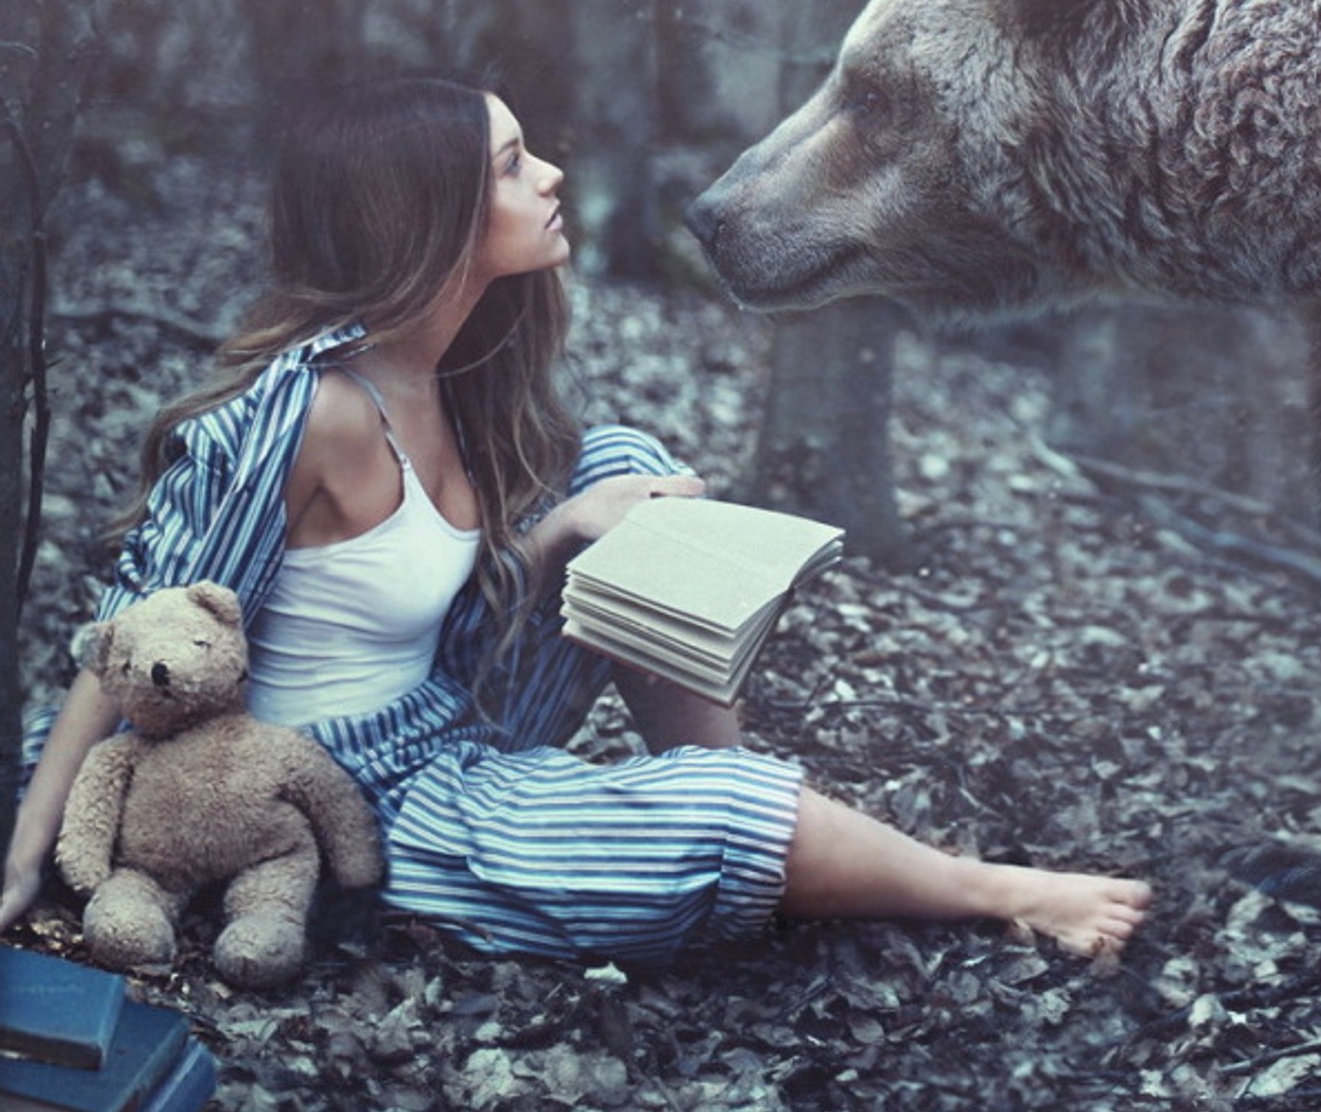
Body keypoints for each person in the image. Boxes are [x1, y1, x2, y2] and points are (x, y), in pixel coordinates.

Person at [2, 77, 1150, 968]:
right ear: (430, 213)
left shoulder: (451, 372)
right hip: (347, 802)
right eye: (511, 164)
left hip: (446, 715)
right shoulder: (312, 410)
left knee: (619, 469)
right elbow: (128, 629)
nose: (549, 174)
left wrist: (554, 541)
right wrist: (30, 857)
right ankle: (974, 882)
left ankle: (713, 800)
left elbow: (425, 590)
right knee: (725, 811)